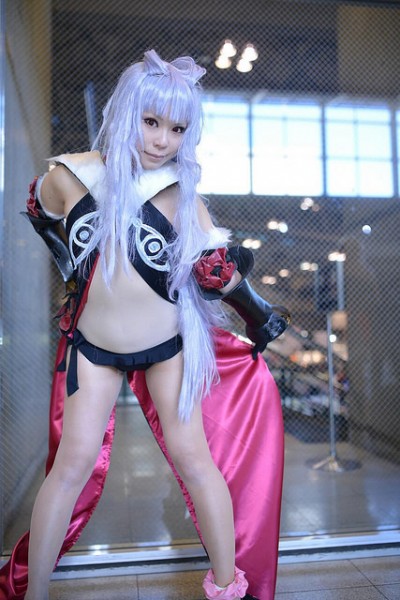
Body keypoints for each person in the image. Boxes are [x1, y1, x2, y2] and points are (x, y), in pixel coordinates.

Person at [0, 50, 290, 600]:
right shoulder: (72, 176)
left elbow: (219, 272)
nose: (161, 140)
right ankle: (31, 593)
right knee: (70, 466)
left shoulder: (182, 194)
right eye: (150, 121)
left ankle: (227, 589)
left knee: (195, 460)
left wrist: (254, 309)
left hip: (168, 347)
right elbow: (38, 210)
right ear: (126, 112)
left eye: (177, 129)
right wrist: (70, 266)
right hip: (92, 348)